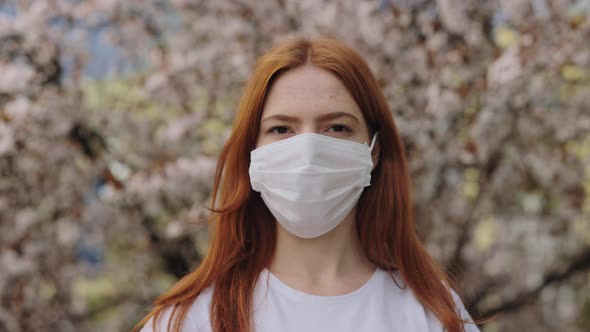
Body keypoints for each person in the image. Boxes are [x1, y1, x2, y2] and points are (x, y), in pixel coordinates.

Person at [134, 37, 481, 332]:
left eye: (337, 128)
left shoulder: (431, 314)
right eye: (281, 129)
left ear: (373, 151)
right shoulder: (189, 321)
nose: (308, 152)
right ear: (253, 152)